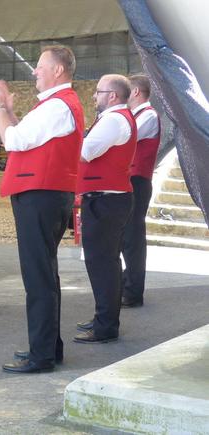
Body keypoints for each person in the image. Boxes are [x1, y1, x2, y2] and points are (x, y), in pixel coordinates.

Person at [0, 45, 85, 374]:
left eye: (40, 66)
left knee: (38, 276)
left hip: (40, 195)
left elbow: (13, 140)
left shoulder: (56, 106)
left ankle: (41, 354)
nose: (34, 71)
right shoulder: (57, 105)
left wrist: (0, 107)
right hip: (47, 194)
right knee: (45, 273)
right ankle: (48, 347)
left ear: (58, 70)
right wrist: (9, 112)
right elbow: (26, 136)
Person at [74, 74, 137, 344]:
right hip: (108, 199)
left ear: (112, 95)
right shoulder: (115, 118)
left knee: (102, 263)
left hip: (106, 200)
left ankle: (105, 325)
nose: (94, 96)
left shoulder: (113, 120)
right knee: (104, 262)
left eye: (98, 91)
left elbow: (85, 151)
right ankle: (104, 318)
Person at [121, 74, 160, 308]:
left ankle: (133, 290)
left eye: (127, 91)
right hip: (131, 180)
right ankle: (127, 284)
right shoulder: (137, 115)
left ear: (135, 92)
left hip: (138, 181)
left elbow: (127, 137)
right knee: (127, 236)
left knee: (133, 237)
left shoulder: (148, 115)